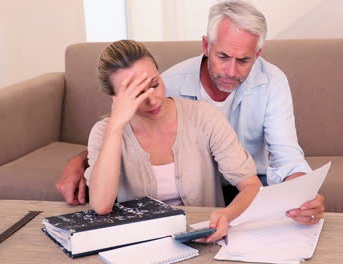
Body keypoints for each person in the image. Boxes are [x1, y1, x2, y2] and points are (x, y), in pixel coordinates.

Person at [56, 0, 325, 225]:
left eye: (244, 60)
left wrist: (302, 191)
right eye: (223, 57)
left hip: (246, 185)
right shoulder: (170, 82)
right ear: (206, 46)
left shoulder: (269, 83)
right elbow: (124, 133)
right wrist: (83, 160)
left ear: (257, 53)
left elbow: (284, 154)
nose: (232, 71)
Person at [85, 39, 261, 243]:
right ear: (115, 98)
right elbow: (101, 205)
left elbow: (251, 185)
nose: (153, 100)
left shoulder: (203, 116)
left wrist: (228, 215)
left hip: (204, 239)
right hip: (143, 243)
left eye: (154, 84)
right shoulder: (103, 133)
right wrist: (115, 127)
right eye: (137, 94)